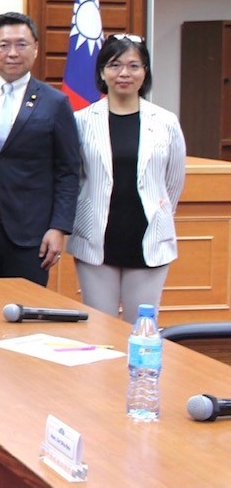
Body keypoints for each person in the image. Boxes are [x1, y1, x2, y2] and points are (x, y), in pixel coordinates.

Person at [66, 35, 185, 323]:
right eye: (115, 65)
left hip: (148, 239)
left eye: (134, 66)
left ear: (145, 73)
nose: (124, 73)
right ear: (102, 72)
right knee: (99, 329)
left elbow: (173, 183)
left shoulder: (165, 122)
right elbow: (74, 178)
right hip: (97, 239)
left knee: (141, 328)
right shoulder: (81, 121)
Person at [0, 12, 80, 286]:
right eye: (3, 45)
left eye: (22, 44)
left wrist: (58, 228)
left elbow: (68, 170)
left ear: (36, 48)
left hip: (30, 233)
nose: (12, 52)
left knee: (24, 314)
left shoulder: (55, 103)